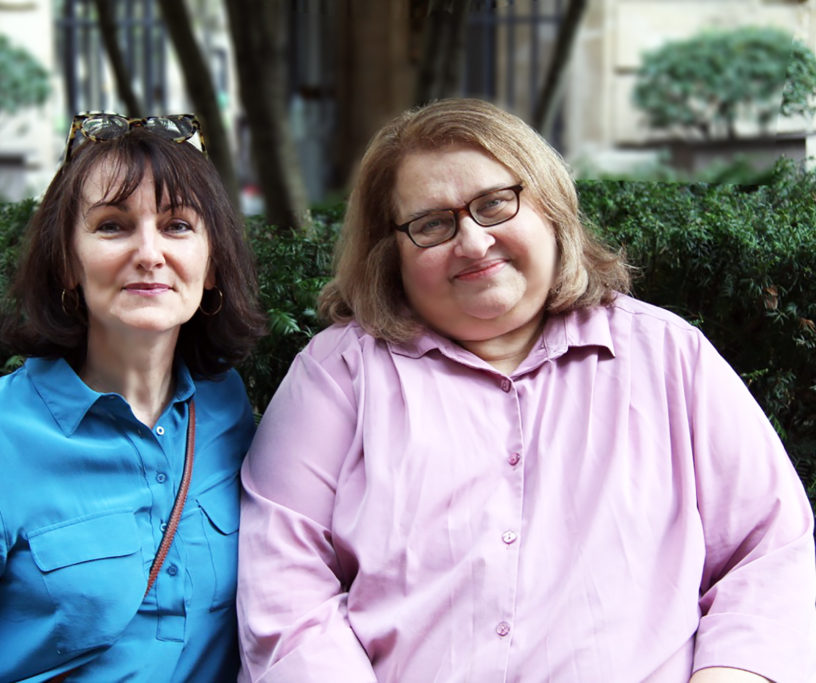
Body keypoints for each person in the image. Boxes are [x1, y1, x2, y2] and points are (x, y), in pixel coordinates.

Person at [236, 98, 816, 682]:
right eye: (432, 223)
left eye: (494, 204)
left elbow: (770, 554)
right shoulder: (338, 374)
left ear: (549, 206)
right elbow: (287, 589)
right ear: (392, 253)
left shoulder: (669, 357)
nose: (472, 242)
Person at [0, 112, 267, 681]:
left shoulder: (225, 408)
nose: (150, 252)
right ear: (66, 264)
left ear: (212, 262)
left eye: (178, 225)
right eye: (112, 226)